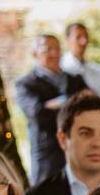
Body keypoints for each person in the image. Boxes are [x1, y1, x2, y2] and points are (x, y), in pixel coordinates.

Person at [15, 34, 89, 186]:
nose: (54, 53)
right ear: (35, 53)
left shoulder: (75, 80)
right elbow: (38, 114)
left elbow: (91, 107)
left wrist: (56, 104)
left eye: (57, 48)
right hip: (47, 154)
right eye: (47, 49)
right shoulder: (26, 84)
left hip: (79, 150)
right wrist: (73, 103)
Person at [60, 22, 100, 101]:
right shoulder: (60, 68)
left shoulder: (98, 70)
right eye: (78, 37)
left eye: (86, 36)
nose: (84, 41)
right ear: (67, 40)